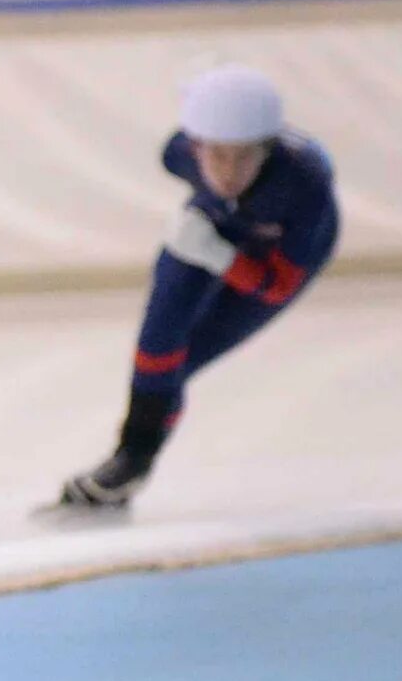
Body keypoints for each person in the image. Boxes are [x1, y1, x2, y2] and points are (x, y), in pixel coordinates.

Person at [58, 64, 341, 509]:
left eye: (243, 157)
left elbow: (277, 287)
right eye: (217, 156)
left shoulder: (305, 185)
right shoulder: (177, 153)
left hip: (277, 253)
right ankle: (131, 459)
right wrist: (207, 242)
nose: (228, 172)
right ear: (195, 146)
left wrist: (220, 256)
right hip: (214, 226)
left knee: (185, 358)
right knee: (156, 350)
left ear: (267, 150)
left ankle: (136, 455)